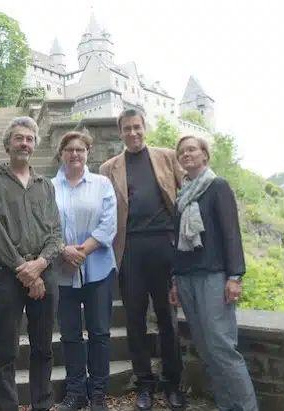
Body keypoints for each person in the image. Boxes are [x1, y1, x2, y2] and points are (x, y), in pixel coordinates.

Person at [100, 109, 186, 410]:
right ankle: (144, 384)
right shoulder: (109, 168)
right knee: (135, 320)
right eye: (127, 128)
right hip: (130, 250)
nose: (133, 133)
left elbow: (186, 195)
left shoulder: (166, 156)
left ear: (144, 128)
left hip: (164, 244)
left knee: (168, 319)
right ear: (120, 132)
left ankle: (173, 383)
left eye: (137, 127)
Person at [0, 116, 64, 411]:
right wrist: (26, 271)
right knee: (6, 348)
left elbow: (56, 232)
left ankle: (42, 404)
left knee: (43, 346)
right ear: (7, 144)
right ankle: (7, 406)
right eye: (19, 138)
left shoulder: (46, 186)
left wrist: (39, 265)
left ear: (35, 145)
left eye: (29, 138)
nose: (24, 143)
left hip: (45, 274)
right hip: (7, 277)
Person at [169, 135, 259, 411]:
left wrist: (235, 277)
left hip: (214, 277)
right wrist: (174, 280)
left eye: (192, 149)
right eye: (182, 151)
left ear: (205, 155)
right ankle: (226, 406)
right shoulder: (182, 194)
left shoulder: (217, 186)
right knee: (206, 349)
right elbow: (176, 241)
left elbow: (231, 233)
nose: (186, 154)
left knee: (221, 347)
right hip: (186, 278)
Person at [51, 131, 118, 411]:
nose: (75, 154)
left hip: (99, 269)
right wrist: (63, 250)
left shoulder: (102, 184)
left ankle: (99, 393)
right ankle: (76, 392)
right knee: (69, 334)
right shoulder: (49, 186)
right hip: (62, 270)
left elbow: (108, 225)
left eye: (80, 149)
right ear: (61, 153)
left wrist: (81, 251)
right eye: (69, 149)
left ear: (88, 152)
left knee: (100, 332)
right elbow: (44, 225)